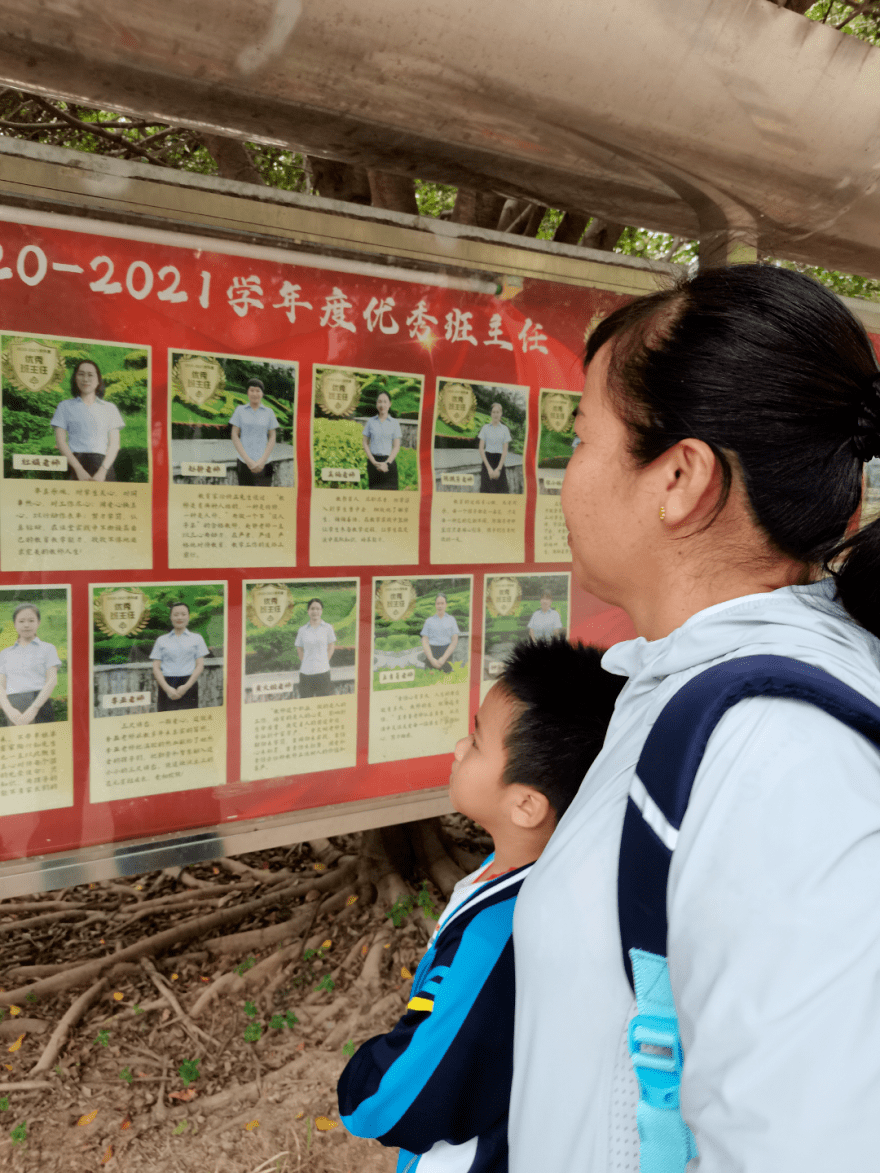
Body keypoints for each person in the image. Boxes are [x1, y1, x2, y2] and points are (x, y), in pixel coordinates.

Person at [507, 264, 880, 1173]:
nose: (562, 474)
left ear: (679, 476)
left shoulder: (785, 758)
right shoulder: (691, 688)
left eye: (582, 438)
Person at [338, 638, 624, 1172]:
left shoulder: (499, 932)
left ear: (525, 804)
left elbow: (412, 1091)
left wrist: (362, 1086)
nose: (457, 748)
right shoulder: (560, 886)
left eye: (475, 741)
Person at [52, 359, 125, 481]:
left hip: (103, 465)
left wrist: (103, 471)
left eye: (90, 375)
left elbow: (114, 444)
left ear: (98, 380)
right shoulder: (64, 406)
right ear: (75, 378)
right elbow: (61, 442)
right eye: (81, 374)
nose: (85, 379)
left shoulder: (110, 408)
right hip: (74, 463)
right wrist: (78, 470)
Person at [0, 604, 61, 727]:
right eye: (21, 621)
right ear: (15, 624)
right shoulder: (5, 653)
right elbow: (1, 685)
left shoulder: (48, 649)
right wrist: (9, 710)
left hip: (40, 706)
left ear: (38, 622)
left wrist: (33, 709)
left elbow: (52, 680)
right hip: (12, 707)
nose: (26, 625)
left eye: (31, 620)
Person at [150, 602, 208, 712]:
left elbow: (200, 665)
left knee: (189, 719)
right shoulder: (161, 640)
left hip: (189, 683)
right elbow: (156, 667)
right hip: (166, 684)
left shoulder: (197, 638)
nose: (179, 617)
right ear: (171, 617)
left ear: (188, 617)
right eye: (176, 614)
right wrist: (167, 689)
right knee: (166, 719)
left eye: (183, 614)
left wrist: (186, 687)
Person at [230, 378, 278, 486]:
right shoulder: (240, 410)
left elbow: (272, 436)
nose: (254, 393)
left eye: (258, 391)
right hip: (244, 463)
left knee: (264, 498)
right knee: (245, 498)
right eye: (252, 390)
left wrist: (262, 462)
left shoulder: (269, 412)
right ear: (247, 392)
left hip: (265, 464)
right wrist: (248, 460)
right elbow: (234, 435)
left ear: (262, 393)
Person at [295, 598, 336, 698]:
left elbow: (331, 645)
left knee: (323, 704)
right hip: (306, 673)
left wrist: (325, 660)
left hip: (323, 672)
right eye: (312, 608)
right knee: (306, 704)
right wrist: (305, 661)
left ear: (321, 611)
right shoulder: (302, 630)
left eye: (318, 608)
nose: (315, 611)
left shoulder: (327, 628)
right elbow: (299, 647)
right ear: (308, 611)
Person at [362, 391, 403, 489]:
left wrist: (387, 464)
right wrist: (373, 461)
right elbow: (365, 442)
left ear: (390, 404)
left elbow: (396, 446)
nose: (382, 405)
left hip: (389, 463)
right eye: (380, 402)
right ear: (376, 404)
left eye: (385, 402)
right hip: (373, 464)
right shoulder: (371, 422)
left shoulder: (394, 423)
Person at [420, 594, 459, 674]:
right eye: (438, 603)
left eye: (442, 603)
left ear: (446, 605)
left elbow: (454, 641)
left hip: (446, 653)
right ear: (435, 605)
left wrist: (443, 659)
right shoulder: (429, 621)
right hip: (432, 652)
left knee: (447, 675)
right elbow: (425, 641)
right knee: (430, 675)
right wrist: (431, 659)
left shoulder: (451, 620)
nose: (440, 606)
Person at [478, 402, 511, 493]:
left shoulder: (505, 429)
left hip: (499, 462)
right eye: (493, 412)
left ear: (501, 413)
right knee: (486, 491)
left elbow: (505, 451)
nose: (495, 414)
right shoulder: (485, 428)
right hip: (487, 461)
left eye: (497, 412)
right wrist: (489, 468)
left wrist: (498, 469)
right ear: (491, 414)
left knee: (501, 492)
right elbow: (481, 449)